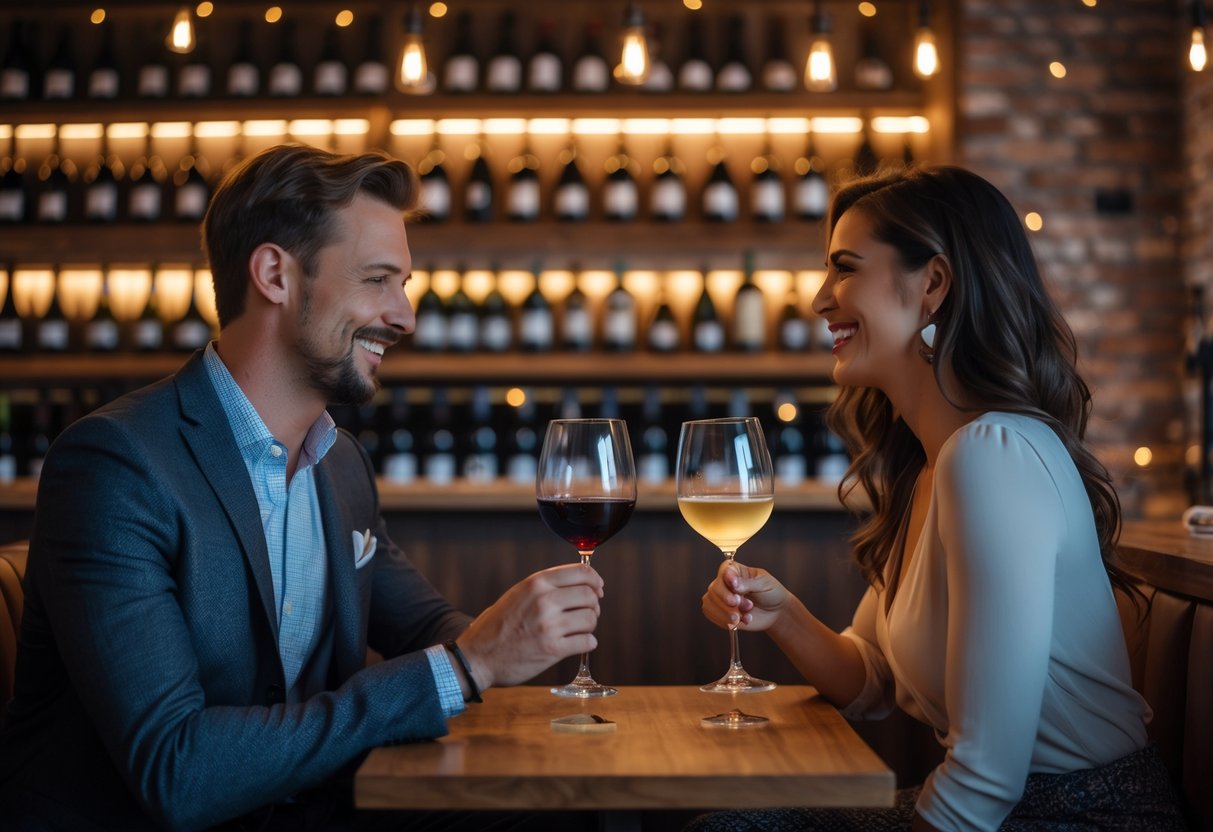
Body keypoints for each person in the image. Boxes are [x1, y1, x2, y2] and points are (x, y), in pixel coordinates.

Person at [0, 144, 605, 831]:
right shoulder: (116, 464)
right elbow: (177, 768)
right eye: (379, 280)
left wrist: (507, 642)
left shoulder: (338, 463)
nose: (404, 316)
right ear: (275, 276)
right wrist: (467, 664)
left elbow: (428, 630)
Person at [692, 166, 1186, 831]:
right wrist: (779, 615)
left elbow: (984, 778)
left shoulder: (991, 455)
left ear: (932, 284)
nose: (818, 301)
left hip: (1080, 817)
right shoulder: (933, 466)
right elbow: (869, 681)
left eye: (843, 269)